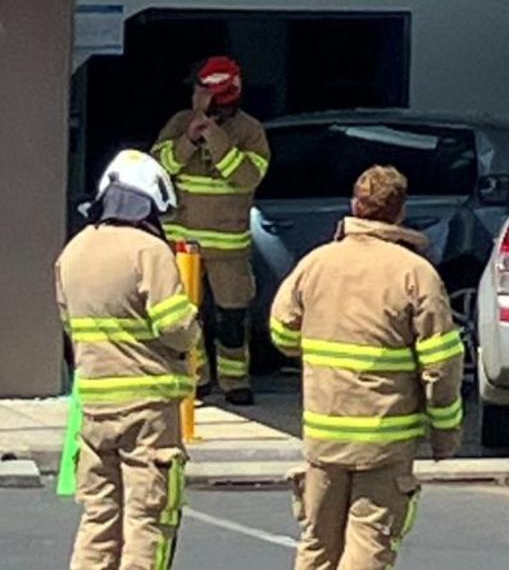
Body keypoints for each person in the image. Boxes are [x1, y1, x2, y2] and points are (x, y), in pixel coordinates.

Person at [270, 165, 464, 570]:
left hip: (323, 436)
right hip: (384, 440)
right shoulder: (415, 273)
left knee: (317, 546)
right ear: (399, 212)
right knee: (368, 547)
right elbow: (442, 363)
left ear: (355, 205)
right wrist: (445, 432)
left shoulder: (315, 263)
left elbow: (282, 332)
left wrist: (320, 359)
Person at [57, 150, 202, 570]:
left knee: (99, 516)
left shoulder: (74, 251)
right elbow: (175, 326)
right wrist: (193, 330)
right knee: (149, 518)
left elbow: (68, 323)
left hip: (95, 407)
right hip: (148, 408)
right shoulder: (150, 251)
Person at [151, 56, 270, 405]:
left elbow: (247, 176)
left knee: (232, 317)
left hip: (228, 246)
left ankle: (235, 382)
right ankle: (195, 378)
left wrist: (215, 136)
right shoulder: (179, 123)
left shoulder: (250, 131)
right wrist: (190, 136)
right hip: (182, 242)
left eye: (204, 92)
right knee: (187, 315)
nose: (197, 98)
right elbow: (159, 167)